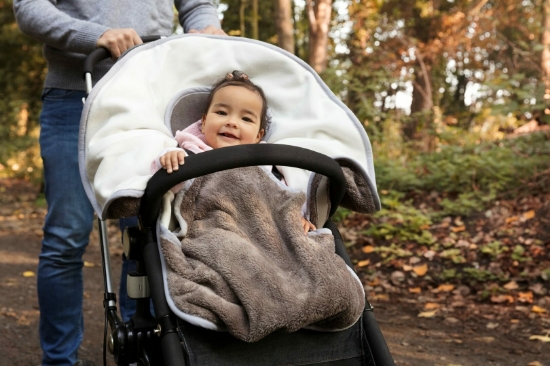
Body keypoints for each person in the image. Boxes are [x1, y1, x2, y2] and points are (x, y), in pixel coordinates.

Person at [13, 1, 225, 365]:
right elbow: (28, 7)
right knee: (66, 235)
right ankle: (59, 360)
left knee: (147, 235)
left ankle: (139, 351)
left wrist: (207, 27)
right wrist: (93, 35)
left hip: (149, 94)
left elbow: (197, 5)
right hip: (74, 92)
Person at [157, 70, 316, 234]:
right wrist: (171, 159)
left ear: (258, 136)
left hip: (261, 232)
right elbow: (167, 186)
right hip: (210, 230)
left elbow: (281, 197)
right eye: (221, 113)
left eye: (246, 119)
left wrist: (296, 216)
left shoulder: (265, 163)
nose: (232, 122)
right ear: (203, 123)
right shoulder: (191, 153)